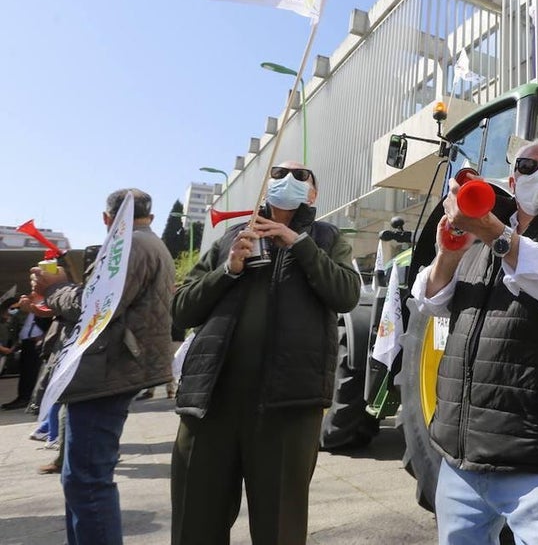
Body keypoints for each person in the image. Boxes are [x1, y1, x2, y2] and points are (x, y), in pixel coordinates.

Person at [411, 139, 538, 545]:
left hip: (534, 461)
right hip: (460, 458)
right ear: (511, 177)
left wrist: (491, 231)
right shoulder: (476, 238)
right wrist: (449, 252)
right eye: (527, 166)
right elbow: (429, 301)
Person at [170, 161, 360, 545]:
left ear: (313, 193)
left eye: (300, 175)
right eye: (277, 174)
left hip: (287, 408)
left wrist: (299, 244)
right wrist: (228, 269)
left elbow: (346, 294)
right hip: (210, 404)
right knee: (195, 521)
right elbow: (182, 309)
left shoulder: (325, 238)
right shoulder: (231, 237)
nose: (287, 180)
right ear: (264, 186)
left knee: (279, 528)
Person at [30, 188, 176, 545]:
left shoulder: (129, 245)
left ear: (108, 219)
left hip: (107, 370)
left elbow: (94, 305)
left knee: (87, 480)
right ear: (151, 216)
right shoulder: (147, 242)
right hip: (111, 368)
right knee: (80, 477)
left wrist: (56, 288)